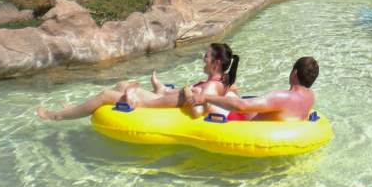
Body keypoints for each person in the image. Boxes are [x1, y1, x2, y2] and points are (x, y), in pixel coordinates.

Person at [36, 43, 239, 120]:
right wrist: (162, 89)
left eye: (206, 56)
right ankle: (75, 108)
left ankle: (57, 116)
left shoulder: (213, 85)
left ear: (216, 62)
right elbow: (227, 92)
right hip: (159, 99)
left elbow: (197, 112)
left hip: (149, 105)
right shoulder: (219, 80)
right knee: (123, 85)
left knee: (105, 95)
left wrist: (186, 91)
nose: (203, 59)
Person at [189, 56, 319, 121]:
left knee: (202, 92)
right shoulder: (310, 96)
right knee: (230, 92)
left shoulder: (283, 96)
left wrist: (206, 97)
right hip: (259, 120)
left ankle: (187, 91)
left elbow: (241, 106)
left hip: (242, 124)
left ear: (294, 73)